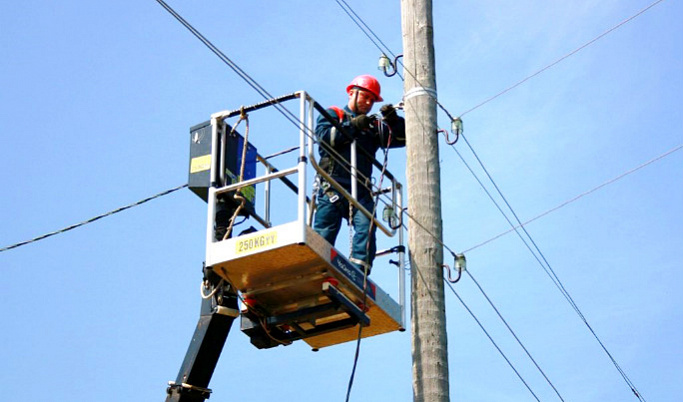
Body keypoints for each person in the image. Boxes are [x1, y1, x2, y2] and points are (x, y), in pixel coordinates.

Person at [313, 75, 406, 274]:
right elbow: (325, 139)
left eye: (372, 100)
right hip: (333, 182)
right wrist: (354, 126)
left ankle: (358, 274)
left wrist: (393, 120)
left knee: (367, 228)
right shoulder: (334, 114)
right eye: (365, 97)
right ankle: (317, 269)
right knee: (325, 230)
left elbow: (402, 138)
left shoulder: (372, 127)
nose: (368, 103)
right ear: (351, 93)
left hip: (361, 188)